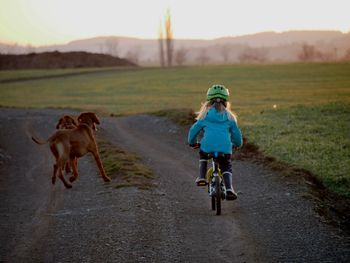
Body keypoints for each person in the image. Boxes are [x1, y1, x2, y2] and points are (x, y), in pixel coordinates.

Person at [188, 84, 243, 200]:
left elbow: (194, 130)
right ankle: (229, 189)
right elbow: (237, 135)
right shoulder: (230, 117)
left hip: (207, 147)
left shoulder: (204, 116)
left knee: (203, 153)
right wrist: (237, 144)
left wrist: (192, 142)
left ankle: (202, 177)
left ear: (209, 101)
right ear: (225, 102)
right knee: (226, 165)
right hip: (225, 148)